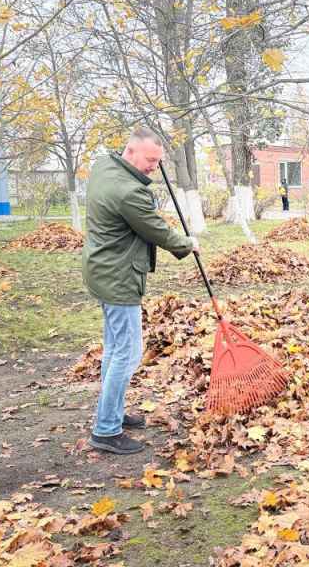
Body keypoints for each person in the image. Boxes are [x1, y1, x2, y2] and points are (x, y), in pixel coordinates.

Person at [83, 126, 199, 455]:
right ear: (131, 151)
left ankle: (113, 414)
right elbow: (155, 228)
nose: (153, 167)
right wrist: (188, 244)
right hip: (118, 278)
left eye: (157, 161)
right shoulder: (128, 192)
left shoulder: (105, 165)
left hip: (101, 271)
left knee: (114, 349)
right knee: (127, 354)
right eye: (150, 160)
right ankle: (105, 430)